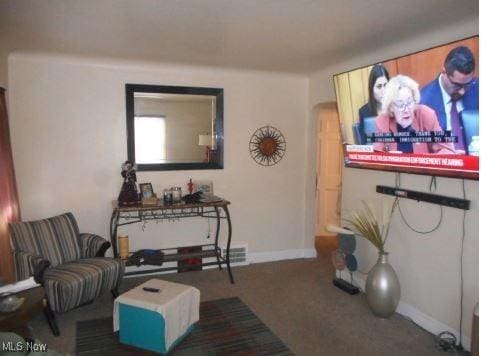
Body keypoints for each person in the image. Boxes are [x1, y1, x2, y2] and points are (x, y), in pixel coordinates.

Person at [373, 75, 455, 154]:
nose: (406, 110)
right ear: (391, 107)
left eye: (409, 102)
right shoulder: (382, 122)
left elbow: (445, 148)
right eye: (400, 105)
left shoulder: (426, 114)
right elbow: (377, 157)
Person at [420, 46, 478, 153]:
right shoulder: (424, 101)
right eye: (457, 85)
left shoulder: (477, 88)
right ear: (444, 72)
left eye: (467, 84)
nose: (463, 91)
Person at [358, 64, 390, 143]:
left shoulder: (395, 107)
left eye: (386, 85)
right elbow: (365, 143)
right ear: (372, 89)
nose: (384, 90)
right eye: (379, 86)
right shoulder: (364, 112)